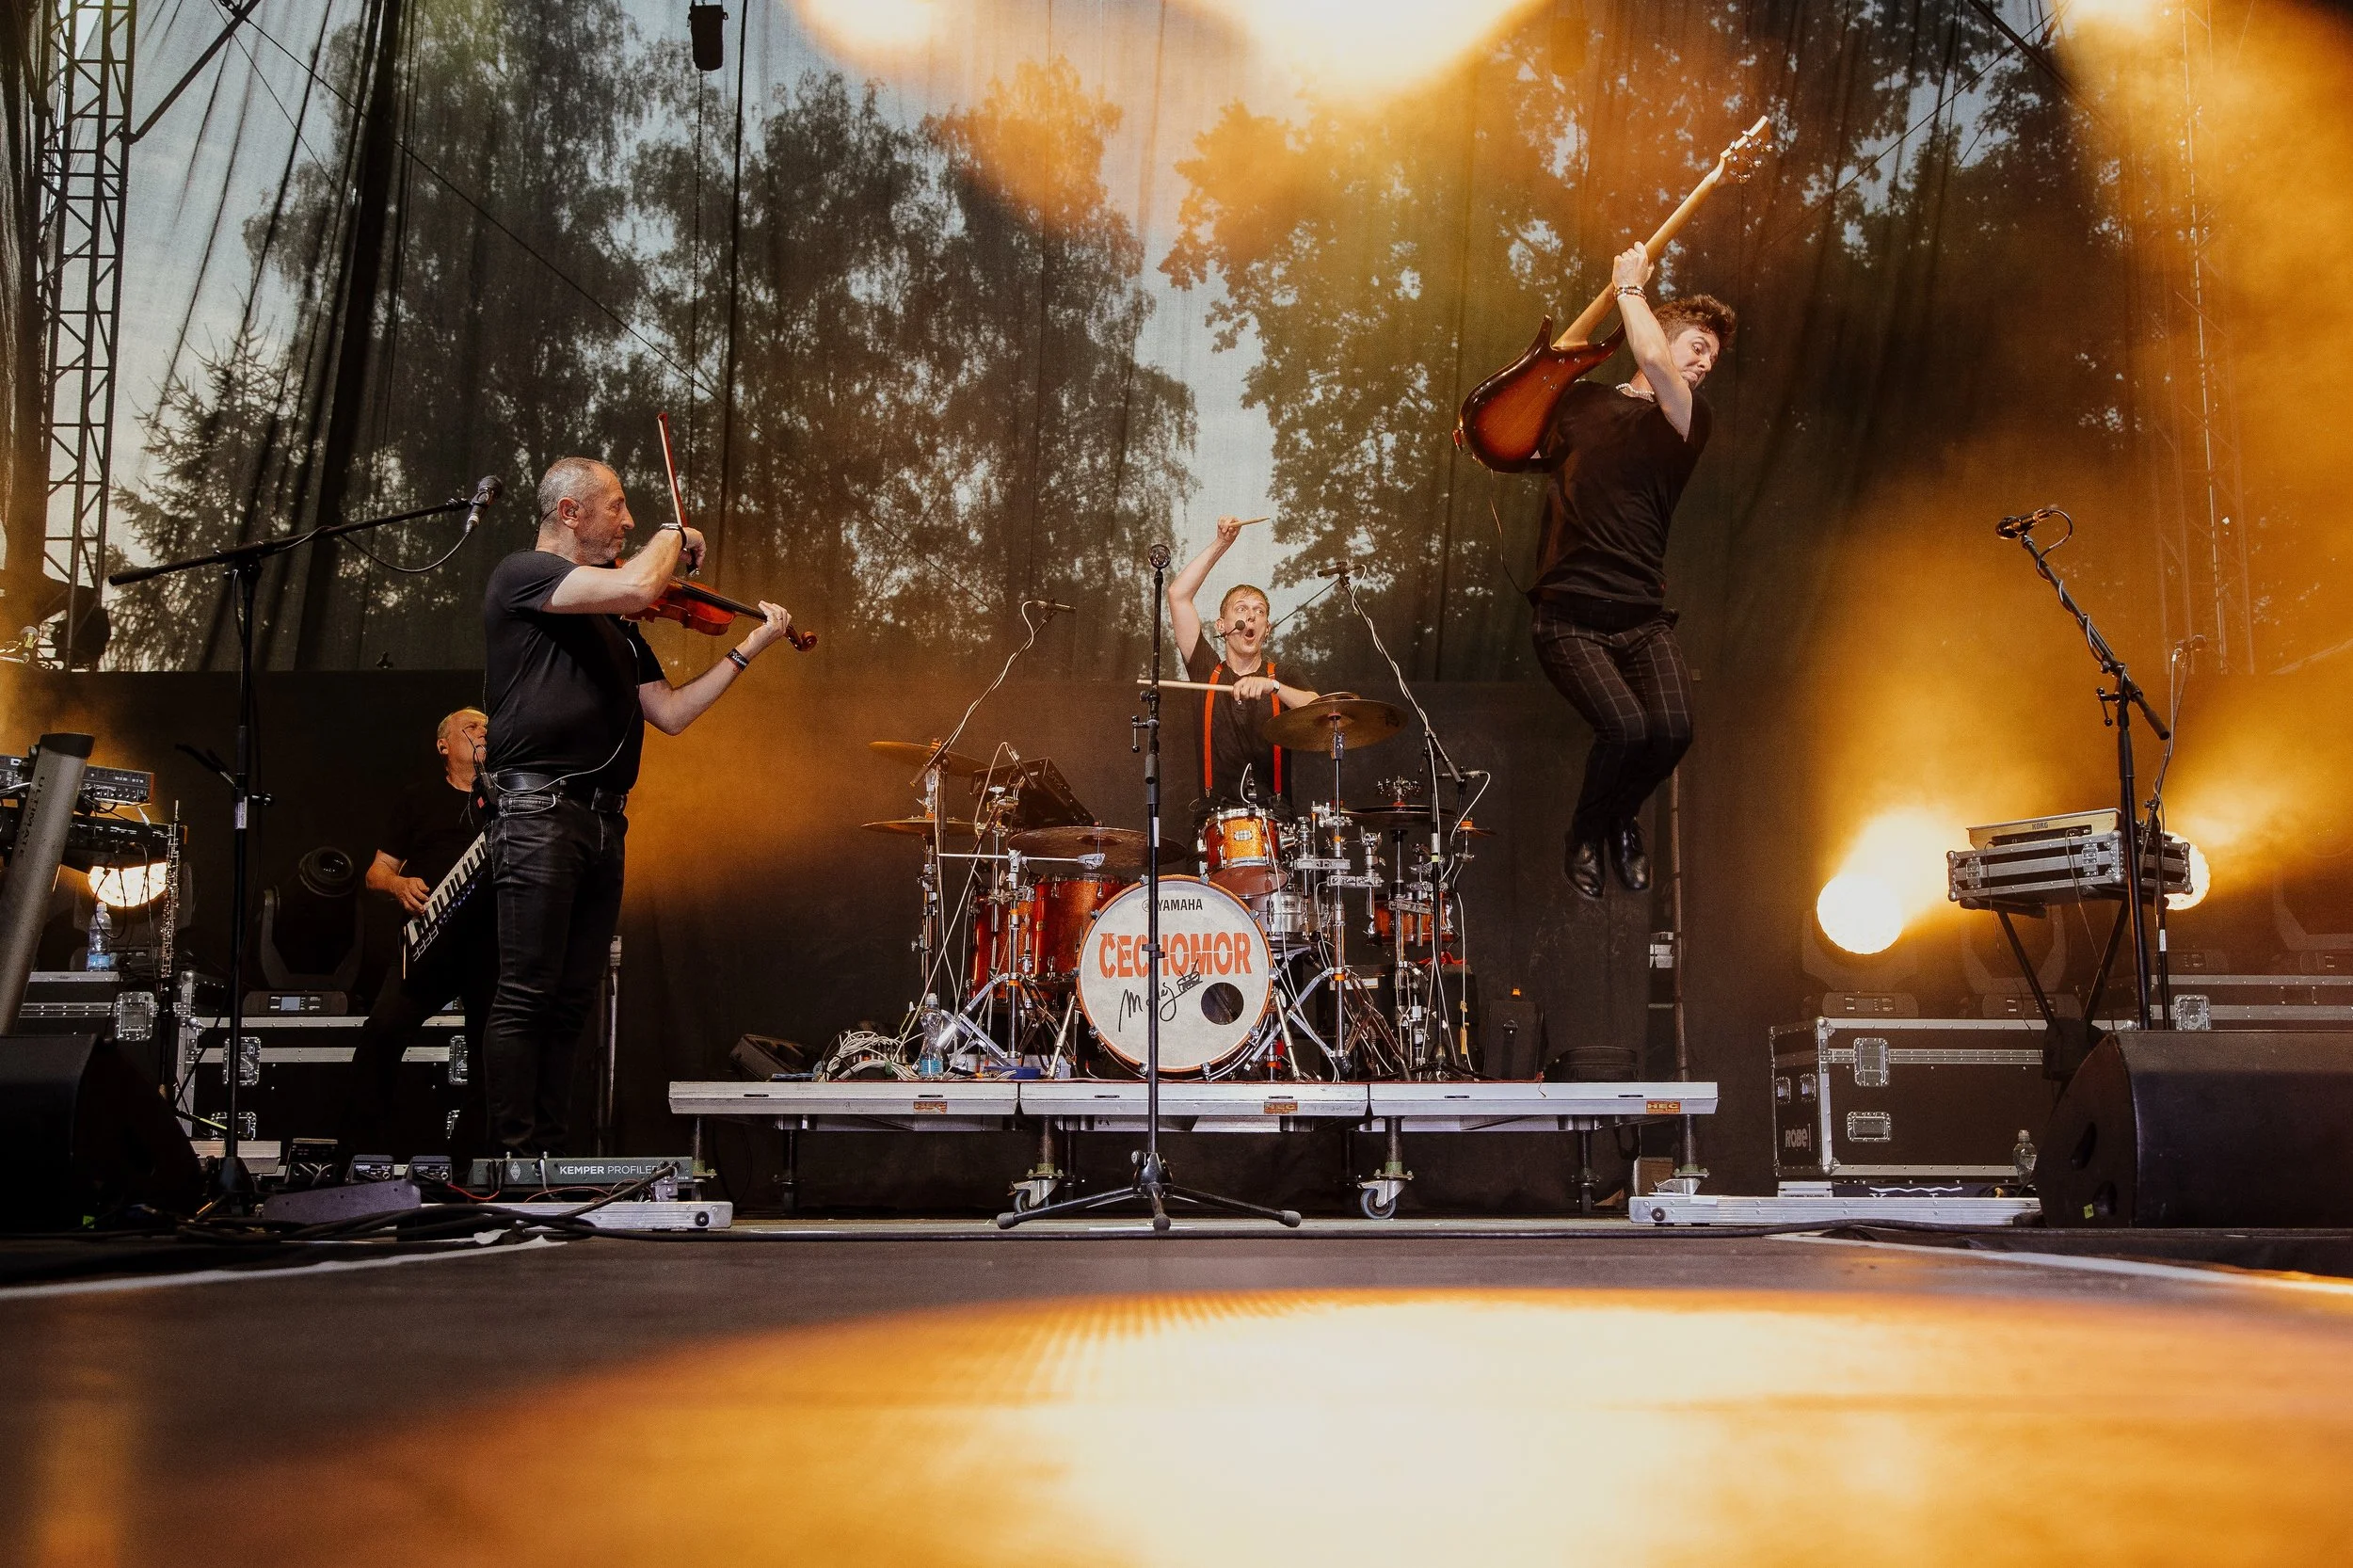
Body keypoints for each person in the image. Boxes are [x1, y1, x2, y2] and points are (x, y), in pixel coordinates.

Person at [479, 456, 795, 1154]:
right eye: (616, 506)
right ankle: (512, 1155)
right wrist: (671, 535)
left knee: (569, 1003)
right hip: (538, 812)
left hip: (598, 820)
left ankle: (545, 1158)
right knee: (528, 990)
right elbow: (637, 582)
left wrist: (749, 647)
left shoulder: (620, 627)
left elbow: (673, 712)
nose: (625, 520)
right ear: (570, 512)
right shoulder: (524, 575)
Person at [1529, 244, 1735, 900]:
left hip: (1641, 615)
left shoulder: (1686, 419)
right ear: (1665, 334)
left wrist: (1627, 286)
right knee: (1626, 728)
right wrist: (1499, 414)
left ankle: (1619, 821)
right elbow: (1513, 429)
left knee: (1673, 731)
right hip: (1569, 618)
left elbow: (1649, 357)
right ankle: (1586, 834)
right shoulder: (1581, 403)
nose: (1705, 364)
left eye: (1712, 357)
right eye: (1698, 347)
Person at [341, 708, 493, 1160]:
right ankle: (360, 1157)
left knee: (493, 1058)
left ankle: (475, 1167)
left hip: (489, 949)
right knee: (382, 1034)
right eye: (473, 727)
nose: (485, 731)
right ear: (444, 745)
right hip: (425, 948)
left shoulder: (507, 800)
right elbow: (375, 874)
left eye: (489, 726)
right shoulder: (418, 799)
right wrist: (399, 884)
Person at [1166, 515, 1321, 816]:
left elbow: (1319, 709)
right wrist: (1222, 544)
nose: (1250, 617)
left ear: (1267, 628)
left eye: (1258, 612)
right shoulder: (1206, 669)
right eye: (1242, 610)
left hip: (1276, 821)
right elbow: (1178, 596)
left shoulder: (1284, 675)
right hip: (1214, 821)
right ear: (1222, 625)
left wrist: (1273, 687)